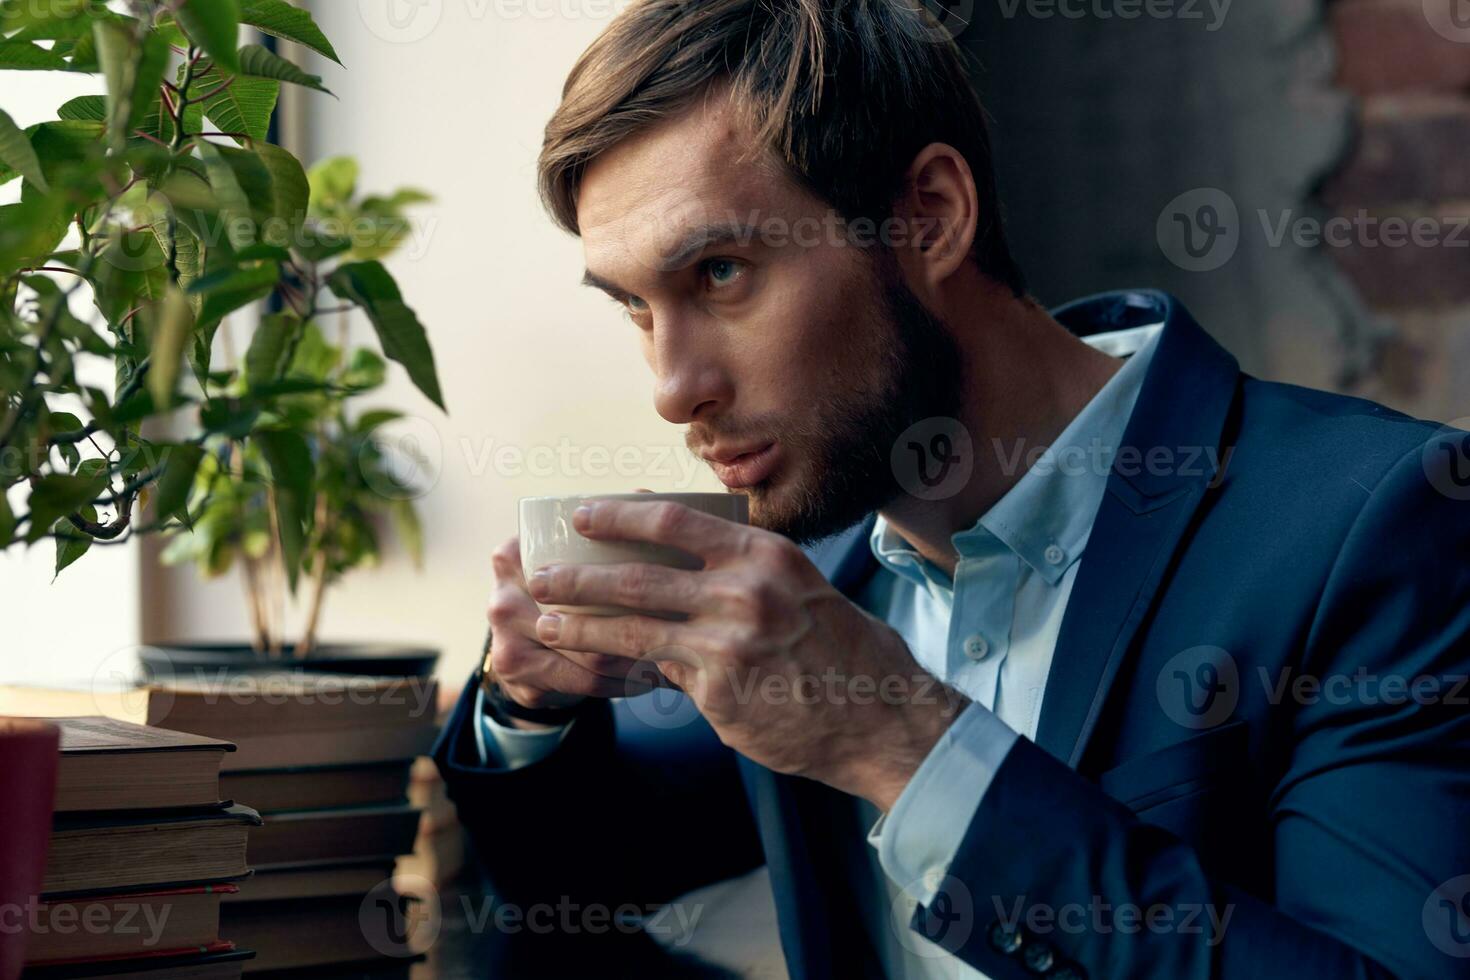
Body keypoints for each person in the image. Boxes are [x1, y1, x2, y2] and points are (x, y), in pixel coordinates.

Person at [433, 0, 1470, 976]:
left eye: (720, 274)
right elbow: (596, 874)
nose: (672, 388)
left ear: (929, 216)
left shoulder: (1381, 521)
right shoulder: (817, 579)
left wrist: (904, 742)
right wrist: (530, 706)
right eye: (636, 308)